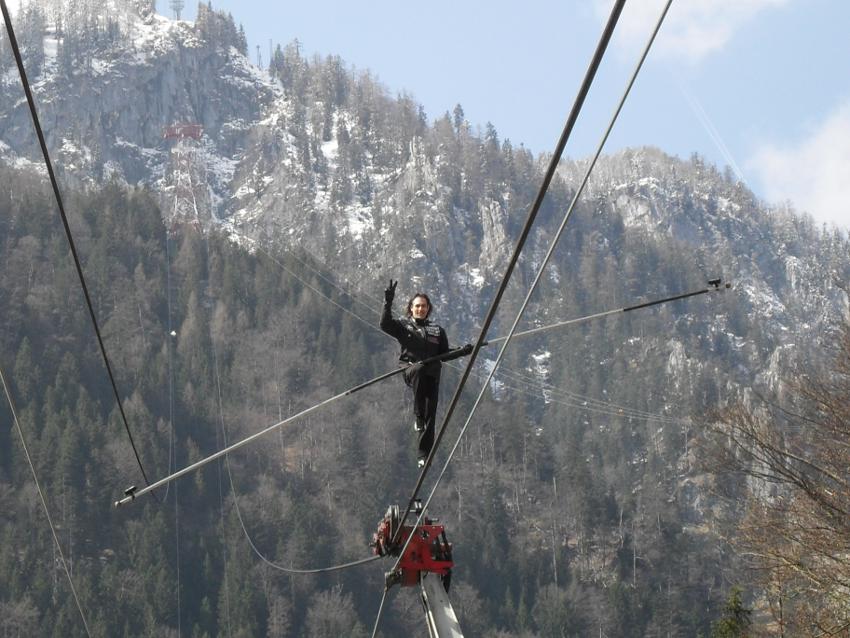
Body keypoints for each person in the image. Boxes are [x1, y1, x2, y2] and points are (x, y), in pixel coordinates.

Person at [380, 280, 472, 468]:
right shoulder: (403, 325)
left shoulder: (437, 330)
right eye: (417, 306)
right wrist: (388, 302)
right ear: (411, 309)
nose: (420, 309)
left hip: (432, 374)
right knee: (420, 369)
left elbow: (444, 354)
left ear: (428, 309)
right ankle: (418, 417)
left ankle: (423, 454)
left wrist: (463, 351)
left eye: (423, 306)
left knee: (431, 413)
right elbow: (385, 324)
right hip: (411, 369)